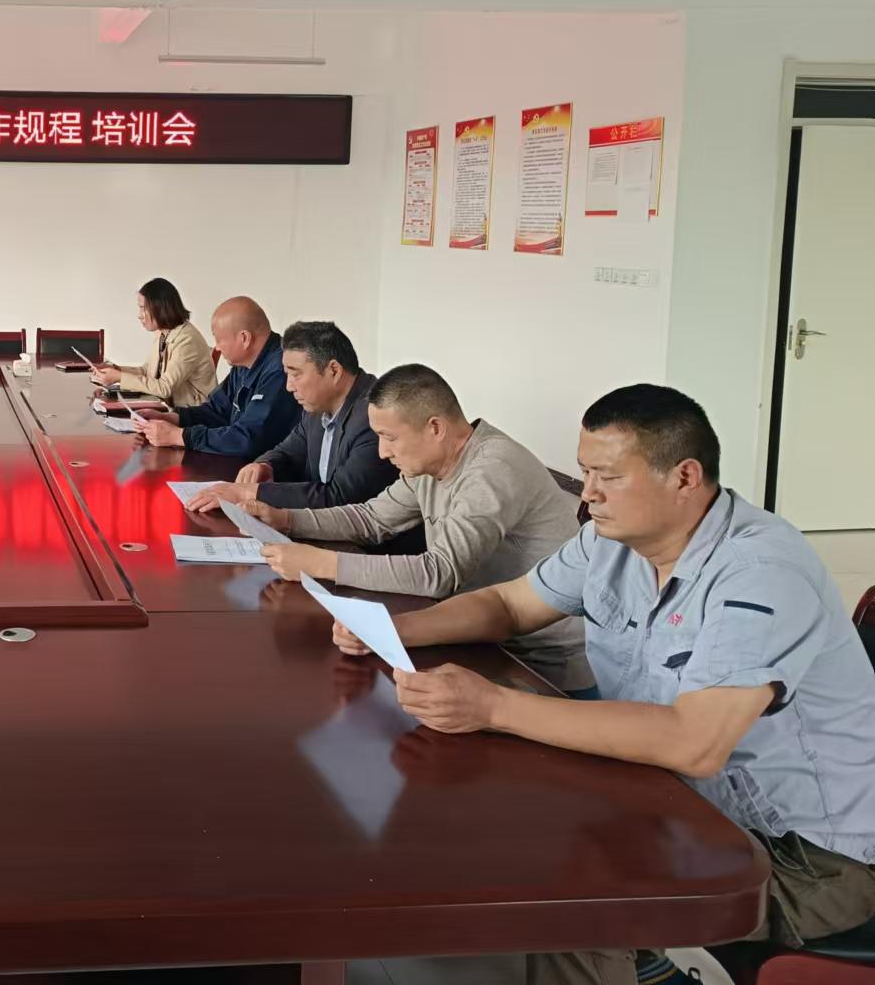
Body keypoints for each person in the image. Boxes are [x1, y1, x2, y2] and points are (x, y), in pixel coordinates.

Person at [330, 385, 875, 985]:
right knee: (513, 812)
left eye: (608, 477)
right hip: (678, 799)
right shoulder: (611, 542)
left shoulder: (761, 571)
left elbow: (695, 742)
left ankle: (631, 958)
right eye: (585, 472)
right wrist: (394, 630)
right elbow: (510, 605)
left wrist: (492, 705)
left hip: (806, 857)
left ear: (685, 477)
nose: (587, 494)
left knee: (578, 893)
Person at [254, 363, 591, 694]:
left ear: (435, 428)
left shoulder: (492, 468)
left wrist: (320, 563)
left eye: (389, 438)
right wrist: (286, 519)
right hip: (481, 634)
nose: (382, 453)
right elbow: (371, 519)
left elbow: (441, 572)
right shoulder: (427, 467)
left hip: (543, 665)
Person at [186, 321, 397, 514]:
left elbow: (339, 498)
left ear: (334, 370)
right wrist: (265, 466)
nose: (289, 386)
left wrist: (249, 493)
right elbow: (288, 451)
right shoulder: (318, 406)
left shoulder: (374, 416)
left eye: (296, 374)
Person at [132, 296, 297, 458]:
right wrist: (171, 418)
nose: (216, 348)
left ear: (244, 338)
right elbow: (216, 411)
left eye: (219, 340)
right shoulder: (244, 364)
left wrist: (179, 436)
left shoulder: (281, 369)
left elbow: (248, 438)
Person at [89, 277, 216, 407]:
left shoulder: (187, 340)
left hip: (191, 412)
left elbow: (164, 388)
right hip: (167, 405)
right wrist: (116, 370)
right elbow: (147, 371)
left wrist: (119, 377)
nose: (139, 315)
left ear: (160, 308)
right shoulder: (164, 333)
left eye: (143, 308)